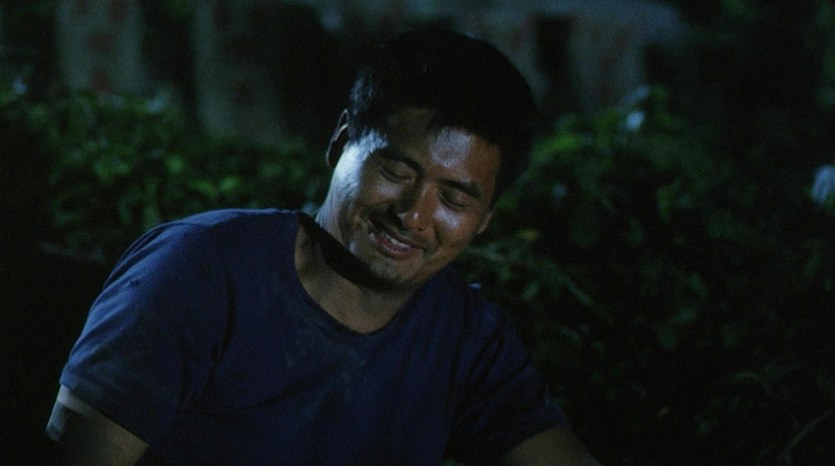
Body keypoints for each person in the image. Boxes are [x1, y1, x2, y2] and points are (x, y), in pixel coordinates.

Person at [47, 28, 602, 465]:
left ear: (484, 221)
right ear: (340, 143)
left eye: (454, 199)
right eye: (395, 170)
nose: (413, 216)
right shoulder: (200, 271)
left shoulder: (464, 337)